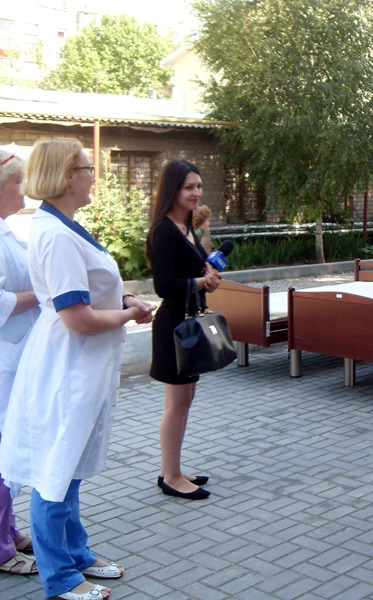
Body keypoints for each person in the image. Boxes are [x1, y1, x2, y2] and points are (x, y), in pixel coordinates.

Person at [0, 139, 154, 600]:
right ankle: (60, 577)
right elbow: (78, 318)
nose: (94, 176)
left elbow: (89, 290)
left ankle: (77, 554)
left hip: (80, 366)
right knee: (56, 471)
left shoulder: (65, 226)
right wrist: (128, 315)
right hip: (67, 368)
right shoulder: (54, 234)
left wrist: (125, 299)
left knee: (70, 472)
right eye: (88, 168)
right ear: (69, 176)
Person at [146, 160, 221, 501]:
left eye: (199, 186)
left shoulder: (186, 225)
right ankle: (171, 477)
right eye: (189, 187)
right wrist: (200, 282)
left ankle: (172, 468)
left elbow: (192, 275)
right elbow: (163, 285)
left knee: (185, 400)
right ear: (172, 190)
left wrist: (208, 280)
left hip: (188, 322)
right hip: (174, 327)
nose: (196, 193)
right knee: (176, 403)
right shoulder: (164, 230)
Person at [0, 150, 39, 578]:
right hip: (3, 360)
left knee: (8, 448)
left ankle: (7, 529)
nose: (23, 189)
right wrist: (40, 296)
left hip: (14, 355)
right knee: (1, 451)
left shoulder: (7, 230)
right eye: (17, 183)